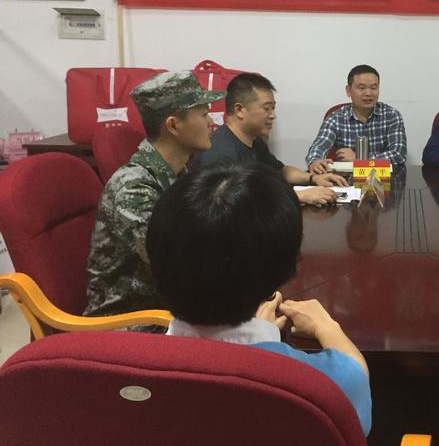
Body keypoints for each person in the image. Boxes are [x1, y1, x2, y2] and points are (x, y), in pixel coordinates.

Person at [145, 163, 372, 436]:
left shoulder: (122, 370)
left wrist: (261, 330)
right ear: (290, 265)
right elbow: (356, 375)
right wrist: (326, 327)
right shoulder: (322, 384)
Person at [85, 71, 225, 319]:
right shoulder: (134, 189)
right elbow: (179, 266)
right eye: (204, 114)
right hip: (131, 320)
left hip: (172, 305)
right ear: (173, 125)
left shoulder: (179, 173)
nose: (211, 123)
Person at [193, 72, 347, 207]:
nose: (273, 115)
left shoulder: (254, 140)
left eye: (273, 108)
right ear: (239, 110)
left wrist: (314, 178)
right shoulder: (219, 152)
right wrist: (299, 196)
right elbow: (231, 204)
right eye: (266, 108)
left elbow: (281, 171)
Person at [306, 65, 407, 174]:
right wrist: (315, 161)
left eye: (373, 88)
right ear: (348, 91)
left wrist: (360, 159)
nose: (368, 93)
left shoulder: (391, 115)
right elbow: (319, 147)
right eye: (362, 88)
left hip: (384, 179)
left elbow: (399, 154)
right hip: (346, 179)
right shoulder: (336, 118)